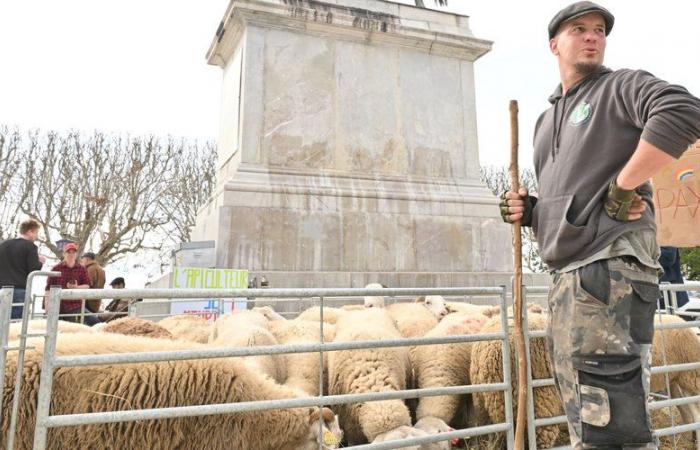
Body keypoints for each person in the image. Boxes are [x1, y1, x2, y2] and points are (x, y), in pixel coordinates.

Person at [499, 2, 700, 448]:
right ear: (555, 44)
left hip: (609, 269)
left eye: (599, 30)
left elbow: (684, 110)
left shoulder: (620, 86)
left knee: (612, 425)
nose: (592, 36)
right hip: (570, 275)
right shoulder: (545, 120)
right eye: (578, 29)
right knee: (588, 419)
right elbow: (571, 198)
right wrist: (531, 210)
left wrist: (624, 187)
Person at [0, 219, 46, 319]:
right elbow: (33, 269)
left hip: (1, 289)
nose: (36, 237)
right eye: (36, 233)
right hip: (18, 290)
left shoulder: (3, 245)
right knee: (15, 323)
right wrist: (40, 262)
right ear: (30, 232)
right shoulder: (30, 247)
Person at [44, 242, 98, 325]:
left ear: (76, 254)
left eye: (73, 252)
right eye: (69, 252)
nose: (71, 254)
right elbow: (48, 289)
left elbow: (87, 285)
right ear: (64, 254)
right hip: (58, 306)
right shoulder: (56, 268)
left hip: (75, 305)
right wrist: (47, 309)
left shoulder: (81, 268)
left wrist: (76, 288)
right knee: (59, 330)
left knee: (93, 322)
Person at [658, 246, 689, 310]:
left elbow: (669, 258)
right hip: (656, 288)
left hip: (668, 288)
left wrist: (648, 251)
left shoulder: (667, 238)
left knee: (669, 316)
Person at [80, 251, 105, 316]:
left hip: (89, 301)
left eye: (82, 259)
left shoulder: (90, 269)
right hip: (96, 300)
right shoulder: (101, 269)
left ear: (87, 259)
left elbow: (88, 284)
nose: (81, 261)